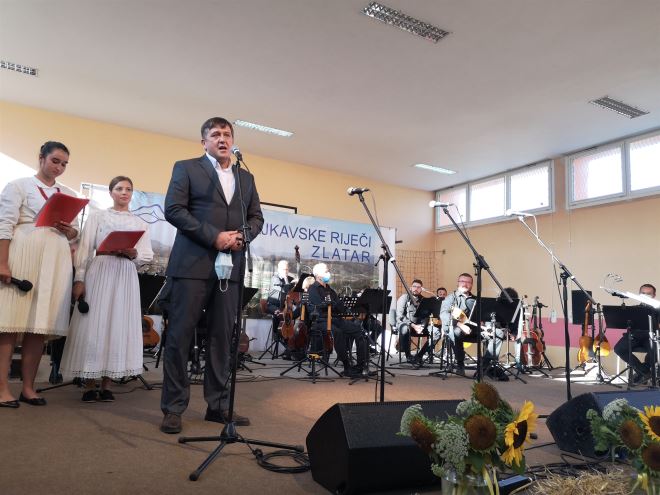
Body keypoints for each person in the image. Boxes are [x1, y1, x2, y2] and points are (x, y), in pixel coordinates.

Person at [160, 117, 263, 434]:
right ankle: (174, 407)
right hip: (191, 266)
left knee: (222, 338)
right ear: (203, 141)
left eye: (227, 134)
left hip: (230, 269)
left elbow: (256, 217)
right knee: (180, 337)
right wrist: (214, 236)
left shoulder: (246, 177)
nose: (222, 139)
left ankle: (217, 406)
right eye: (215, 134)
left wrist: (242, 237)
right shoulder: (186, 168)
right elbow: (174, 209)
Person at [60, 176, 153, 402]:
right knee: (96, 323)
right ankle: (90, 384)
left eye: (128, 189)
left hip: (125, 274)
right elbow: (84, 250)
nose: (124, 192)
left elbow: (146, 254)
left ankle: (107, 384)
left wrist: (135, 254)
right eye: (119, 188)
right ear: (111, 193)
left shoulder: (140, 222)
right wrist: (79, 279)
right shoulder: (97, 217)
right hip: (100, 270)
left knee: (117, 324)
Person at [0, 141, 79, 408]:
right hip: (23, 255)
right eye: (55, 161)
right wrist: (2, 263)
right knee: (10, 324)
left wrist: (70, 230)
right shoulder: (18, 185)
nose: (59, 167)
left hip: (54, 261)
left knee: (38, 326)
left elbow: (74, 233)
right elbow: (4, 224)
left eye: (64, 164)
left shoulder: (67, 193)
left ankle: (28, 388)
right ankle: (2, 389)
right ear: (41, 158)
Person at [306, 263, 367, 377]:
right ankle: (346, 366)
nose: (328, 273)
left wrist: (345, 305)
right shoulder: (313, 289)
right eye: (326, 271)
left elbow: (339, 307)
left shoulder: (330, 289)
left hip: (336, 319)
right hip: (322, 321)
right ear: (318, 275)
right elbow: (320, 307)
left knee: (358, 330)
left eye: (328, 271)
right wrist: (333, 304)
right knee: (338, 333)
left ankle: (360, 366)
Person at [613, 283, 658, 384]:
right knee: (618, 349)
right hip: (634, 336)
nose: (645, 295)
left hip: (650, 337)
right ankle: (644, 372)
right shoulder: (633, 309)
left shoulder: (658, 309)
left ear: (654, 295)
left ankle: (641, 373)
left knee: (655, 351)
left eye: (648, 293)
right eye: (643, 293)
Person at [440, 273, 478, 375]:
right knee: (456, 332)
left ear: (472, 284)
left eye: (468, 282)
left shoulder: (476, 299)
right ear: (458, 283)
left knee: (496, 333)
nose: (465, 284)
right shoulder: (450, 298)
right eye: (462, 281)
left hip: (473, 329)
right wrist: (460, 325)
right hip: (456, 328)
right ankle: (460, 363)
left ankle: (486, 364)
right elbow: (444, 315)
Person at [265, 259, 295, 357]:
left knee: (292, 316)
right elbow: (284, 290)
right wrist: (287, 280)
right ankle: (277, 336)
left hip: (285, 307)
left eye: (287, 269)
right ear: (278, 269)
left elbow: (294, 293)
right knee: (280, 314)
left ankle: (290, 345)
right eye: (283, 269)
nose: (285, 271)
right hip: (273, 305)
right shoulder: (275, 278)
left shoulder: (291, 279)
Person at [394, 279, 426, 362]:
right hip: (404, 324)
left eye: (418, 287)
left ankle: (419, 355)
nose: (416, 289)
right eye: (414, 286)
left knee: (435, 332)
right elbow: (400, 316)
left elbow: (425, 315)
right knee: (405, 328)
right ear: (411, 288)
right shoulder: (404, 297)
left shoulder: (423, 300)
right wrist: (413, 325)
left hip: (418, 326)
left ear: (421, 289)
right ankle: (408, 356)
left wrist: (422, 326)